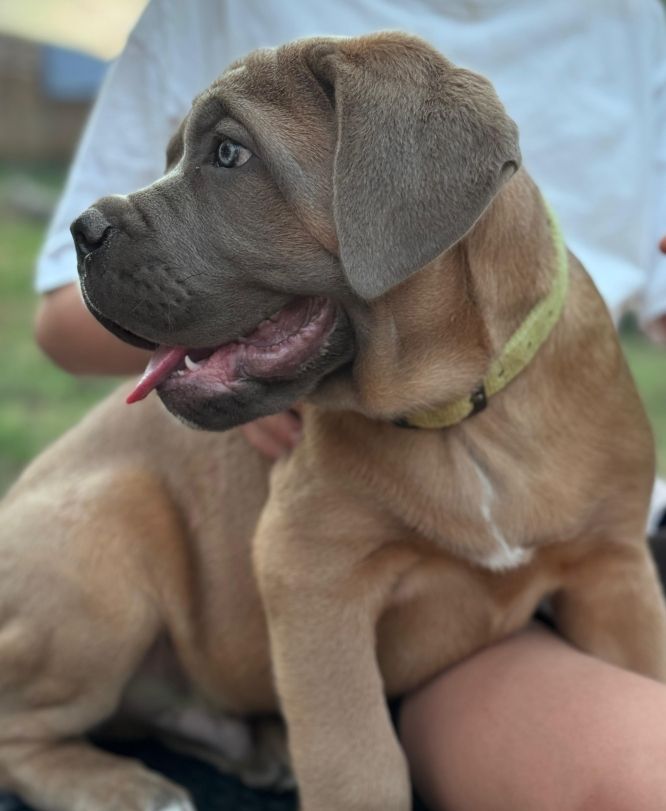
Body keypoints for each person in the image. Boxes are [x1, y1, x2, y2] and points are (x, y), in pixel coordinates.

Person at [32, 1, 666, 808]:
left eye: (227, 155)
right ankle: (24, 736)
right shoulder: (216, 15)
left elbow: (611, 562)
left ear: (405, 194)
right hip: (289, 646)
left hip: (487, 627)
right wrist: (251, 357)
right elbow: (59, 320)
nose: (146, 204)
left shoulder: (633, 25)